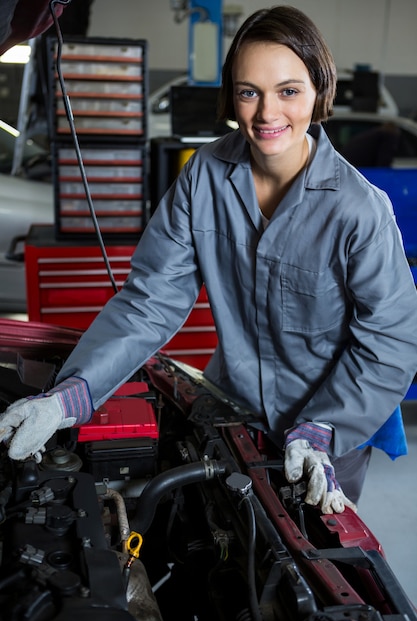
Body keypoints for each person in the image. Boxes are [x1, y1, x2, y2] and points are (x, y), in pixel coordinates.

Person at [1, 5, 417, 515]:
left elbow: (391, 342)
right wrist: (71, 394)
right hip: (230, 412)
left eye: (288, 91)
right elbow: (150, 301)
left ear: (318, 91)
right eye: (249, 92)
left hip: (328, 435)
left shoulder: (360, 210)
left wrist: (324, 428)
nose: (267, 114)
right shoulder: (204, 176)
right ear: (231, 96)